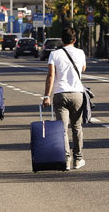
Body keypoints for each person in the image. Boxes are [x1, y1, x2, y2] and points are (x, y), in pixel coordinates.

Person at [42, 26, 86, 170]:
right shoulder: (81, 53)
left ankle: (66, 160)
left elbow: (51, 76)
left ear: (62, 40)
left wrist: (47, 96)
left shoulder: (54, 54)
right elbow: (83, 69)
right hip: (77, 94)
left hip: (60, 94)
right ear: (75, 40)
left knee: (62, 129)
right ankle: (78, 159)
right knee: (77, 127)